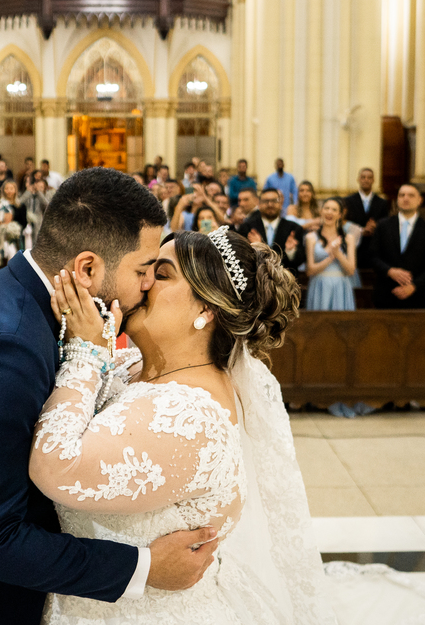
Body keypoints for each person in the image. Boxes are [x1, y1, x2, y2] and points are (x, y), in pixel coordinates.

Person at [0, 168, 225, 625]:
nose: (147, 286)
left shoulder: (25, 303)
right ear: (87, 268)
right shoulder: (6, 347)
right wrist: (142, 567)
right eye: (142, 270)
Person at [30, 218, 337, 624]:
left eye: (161, 274)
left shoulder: (191, 417)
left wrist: (85, 352)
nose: (143, 283)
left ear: (205, 309)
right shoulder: (133, 364)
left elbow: (55, 464)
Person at [371, 183, 425, 309]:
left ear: (420, 200)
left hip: (416, 295)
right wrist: (389, 271)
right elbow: (373, 256)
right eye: (402, 195)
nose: (405, 198)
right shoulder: (383, 226)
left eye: (411, 195)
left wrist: (414, 286)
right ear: (397, 199)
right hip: (385, 294)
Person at [305, 197, 357, 311]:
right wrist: (330, 258)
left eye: (334, 210)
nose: (329, 212)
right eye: (326, 208)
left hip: (341, 286)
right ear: (321, 211)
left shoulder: (348, 238)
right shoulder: (311, 238)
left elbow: (351, 270)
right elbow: (310, 270)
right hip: (319, 285)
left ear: (340, 215)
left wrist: (338, 254)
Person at [241, 188, 304, 272]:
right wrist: (257, 247)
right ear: (259, 204)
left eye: (274, 201)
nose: (270, 204)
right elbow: (242, 259)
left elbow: (300, 260)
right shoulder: (247, 228)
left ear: (280, 203)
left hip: (285, 277)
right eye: (266, 201)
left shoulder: (294, 228)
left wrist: (291, 251)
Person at [343, 168, 391, 270]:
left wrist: (376, 226)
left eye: (369, 177)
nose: (366, 180)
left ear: (373, 180)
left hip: (374, 247)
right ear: (358, 179)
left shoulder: (382, 202)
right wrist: (361, 230)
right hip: (355, 247)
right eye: (363, 177)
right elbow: (344, 222)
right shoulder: (348, 201)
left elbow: (386, 223)